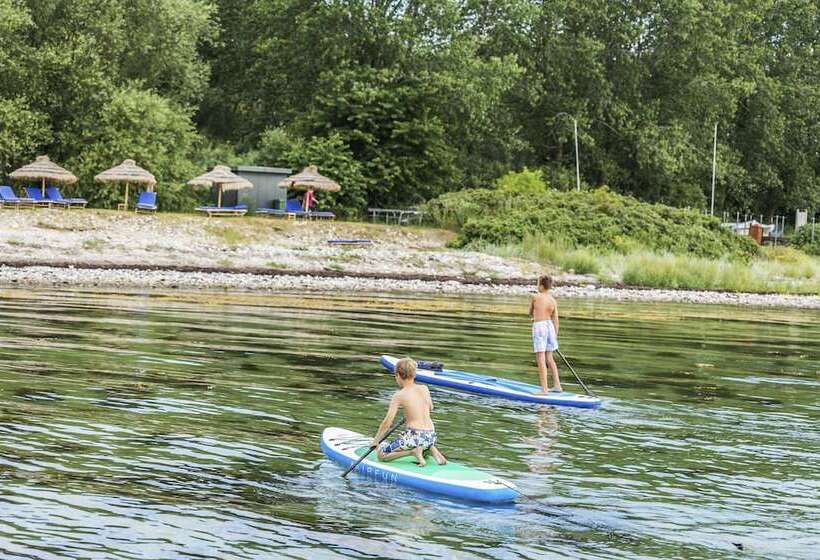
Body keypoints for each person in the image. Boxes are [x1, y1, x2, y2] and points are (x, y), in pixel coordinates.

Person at [372, 357, 447, 467]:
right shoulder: (424, 388)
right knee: (422, 445)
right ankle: (431, 448)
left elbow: (387, 422)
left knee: (381, 455)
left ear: (397, 375)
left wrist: (376, 441)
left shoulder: (399, 395)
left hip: (415, 436)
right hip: (431, 435)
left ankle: (412, 452)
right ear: (414, 374)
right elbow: (430, 408)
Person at [529, 274, 562, 393]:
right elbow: (556, 320)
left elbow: (530, 313)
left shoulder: (535, 297)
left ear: (542, 286)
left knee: (540, 358)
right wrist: (555, 337)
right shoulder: (553, 300)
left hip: (540, 327)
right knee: (550, 357)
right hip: (550, 327)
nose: (537, 287)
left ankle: (544, 390)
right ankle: (557, 385)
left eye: (538, 284)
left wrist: (533, 316)